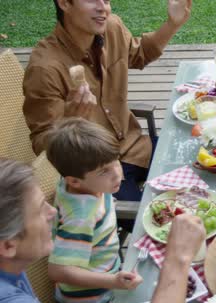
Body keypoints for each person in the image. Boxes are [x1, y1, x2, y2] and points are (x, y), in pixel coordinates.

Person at [0, 158, 205, 303]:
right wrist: (178, 258)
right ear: (8, 246)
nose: (53, 212)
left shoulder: (11, 268)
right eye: (38, 210)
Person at [22, 0, 193, 204]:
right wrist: (70, 121)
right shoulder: (45, 68)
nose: (103, 7)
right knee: (159, 217)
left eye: (107, 0)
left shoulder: (112, 27)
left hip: (136, 147)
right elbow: (42, 144)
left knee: (198, 161)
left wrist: (172, 23)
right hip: (97, 172)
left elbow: (140, 54)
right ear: (64, 3)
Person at [42, 118, 140, 303]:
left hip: (109, 273)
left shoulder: (86, 181)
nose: (118, 175)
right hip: (94, 301)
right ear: (74, 181)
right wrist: (113, 282)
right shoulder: (81, 216)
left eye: (117, 161)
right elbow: (58, 270)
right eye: (105, 171)